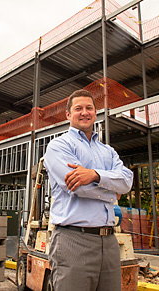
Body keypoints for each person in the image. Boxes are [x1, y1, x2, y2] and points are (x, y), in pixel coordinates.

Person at [43, 89, 134, 291]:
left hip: (109, 242)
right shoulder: (59, 146)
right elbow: (78, 188)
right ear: (68, 115)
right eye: (78, 109)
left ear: (95, 112)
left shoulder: (107, 151)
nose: (84, 112)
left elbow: (127, 181)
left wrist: (95, 175)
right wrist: (113, 191)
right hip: (74, 240)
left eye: (89, 108)